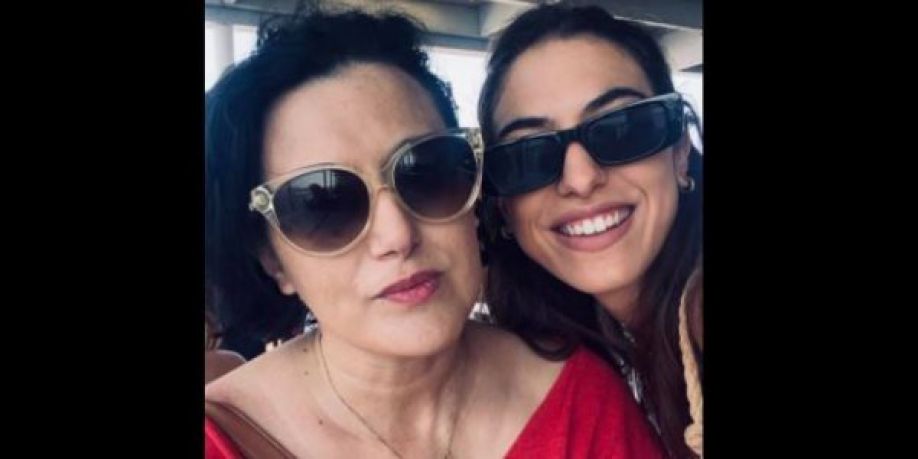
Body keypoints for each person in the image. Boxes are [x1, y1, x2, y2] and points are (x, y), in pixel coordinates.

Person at [204, 6, 663, 458]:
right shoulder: (221, 439)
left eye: (427, 173)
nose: (397, 235)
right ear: (272, 259)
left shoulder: (580, 400)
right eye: (324, 204)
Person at [477, 4, 703, 458]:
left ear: (680, 151)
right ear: (502, 205)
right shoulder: (562, 339)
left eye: (622, 129)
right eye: (529, 155)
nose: (580, 179)